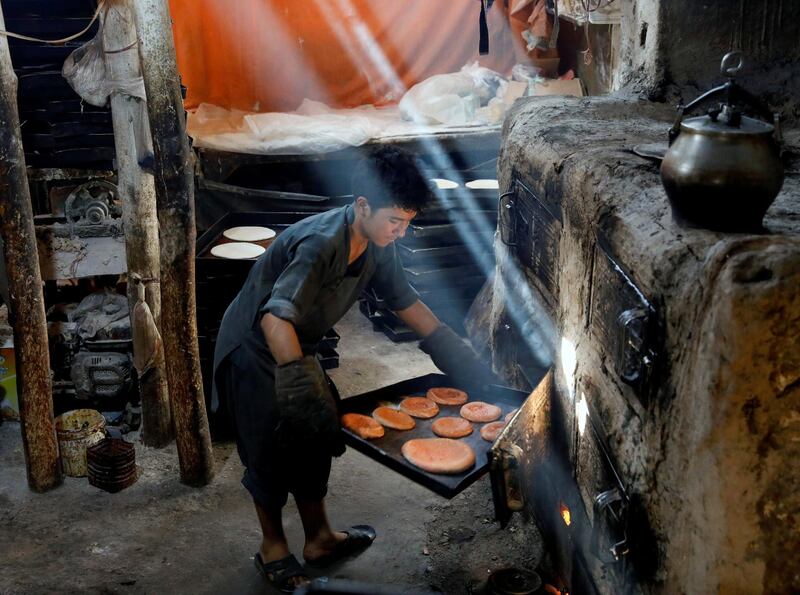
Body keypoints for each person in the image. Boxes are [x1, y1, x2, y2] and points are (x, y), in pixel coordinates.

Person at [212, 146, 494, 592]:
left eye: (407, 222)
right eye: (394, 220)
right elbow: (273, 318)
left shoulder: (379, 242)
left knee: (314, 440)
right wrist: (301, 389)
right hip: (255, 347)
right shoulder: (321, 243)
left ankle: (320, 540)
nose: (400, 231)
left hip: (296, 345)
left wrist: (455, 355)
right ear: (362, 205)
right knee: (270, 449)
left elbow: (406, 303)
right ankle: (273, 548)